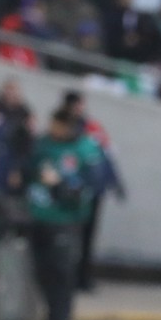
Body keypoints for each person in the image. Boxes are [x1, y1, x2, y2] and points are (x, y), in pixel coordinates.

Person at [24, 106, 102, 320]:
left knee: (62, 271)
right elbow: (27, 172)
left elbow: (90, 186)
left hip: (67, 220)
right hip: (40, 217)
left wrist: (61, 185)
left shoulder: (85, 148)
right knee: (42, 271)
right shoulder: (43, 145)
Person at [60, 89, 125, 292]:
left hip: (92, 190)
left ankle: (82, 277)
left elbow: (106, 156)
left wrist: (115, 183)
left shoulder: (92, 127)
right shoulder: (63, 129)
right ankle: (68, 277)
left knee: (87, 237)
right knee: (69, 236)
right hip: (70, 191)